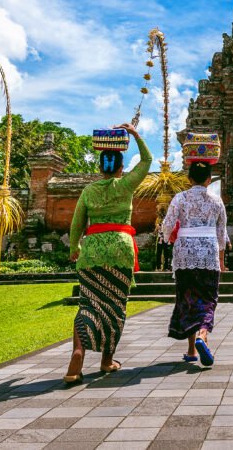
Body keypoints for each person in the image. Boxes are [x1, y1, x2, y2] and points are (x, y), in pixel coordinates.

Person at [64, 123, 151, 384]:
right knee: (115, 306)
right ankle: (106, 360)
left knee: (88, 304)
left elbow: (77, 223)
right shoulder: (125, 185)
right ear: (121, 167)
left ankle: (77, 354)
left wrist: (73, 247)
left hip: (91, 252)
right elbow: (147, 160)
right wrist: (135, 134)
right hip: (120, 250)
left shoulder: (89, 191)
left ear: (100, 167)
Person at [162, 145, 228, 367]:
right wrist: (221, 258)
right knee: (208, 299)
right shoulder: (217, 201)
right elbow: (221, 233)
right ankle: (201, 336)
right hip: (208, 252)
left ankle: (192, 349)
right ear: (210, 179)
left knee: (188, 298)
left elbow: (167, 225)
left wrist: (168, 238)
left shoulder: (180, 198)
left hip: (184, 253)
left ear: (189, 178)